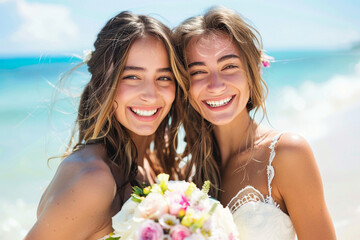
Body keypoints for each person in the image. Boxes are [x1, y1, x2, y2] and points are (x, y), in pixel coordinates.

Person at [174, 6, 336, 240]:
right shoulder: (186, 176)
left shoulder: (286, 154)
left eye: (228, 66)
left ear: (251, 72)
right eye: (198, 72)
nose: (216, 85)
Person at [25, 11, 185, 240]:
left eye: (164, 77)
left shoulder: (152, 164)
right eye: (132, 77)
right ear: (103, 83)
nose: (151, 95)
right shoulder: (92, 179)